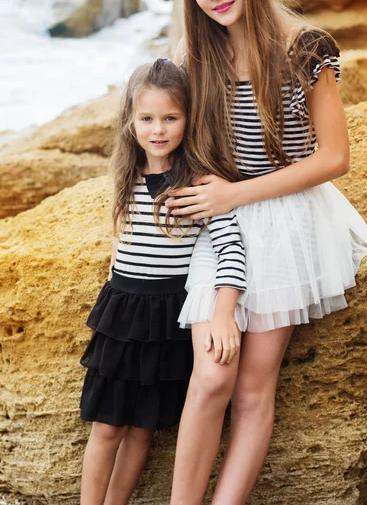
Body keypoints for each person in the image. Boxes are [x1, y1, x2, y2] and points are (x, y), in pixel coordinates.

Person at [167, 0, 367, 505]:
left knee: (254, 388)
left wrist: (236, 193)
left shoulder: (306, 47)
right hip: (223, 223)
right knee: (211, 376)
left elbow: (335, 157)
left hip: (286, 215)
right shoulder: (195, 53)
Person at [79, 58, 246, 505]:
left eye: (171, 118)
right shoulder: (126, 174)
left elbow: (232, 249)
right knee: (107, 425)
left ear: (188, 120)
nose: (158, 129)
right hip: (123, 310)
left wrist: (224, 312)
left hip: (169, 315)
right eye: (147, 118)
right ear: (130, 121)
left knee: (141, 430)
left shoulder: (197, 184)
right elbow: (123, 243)